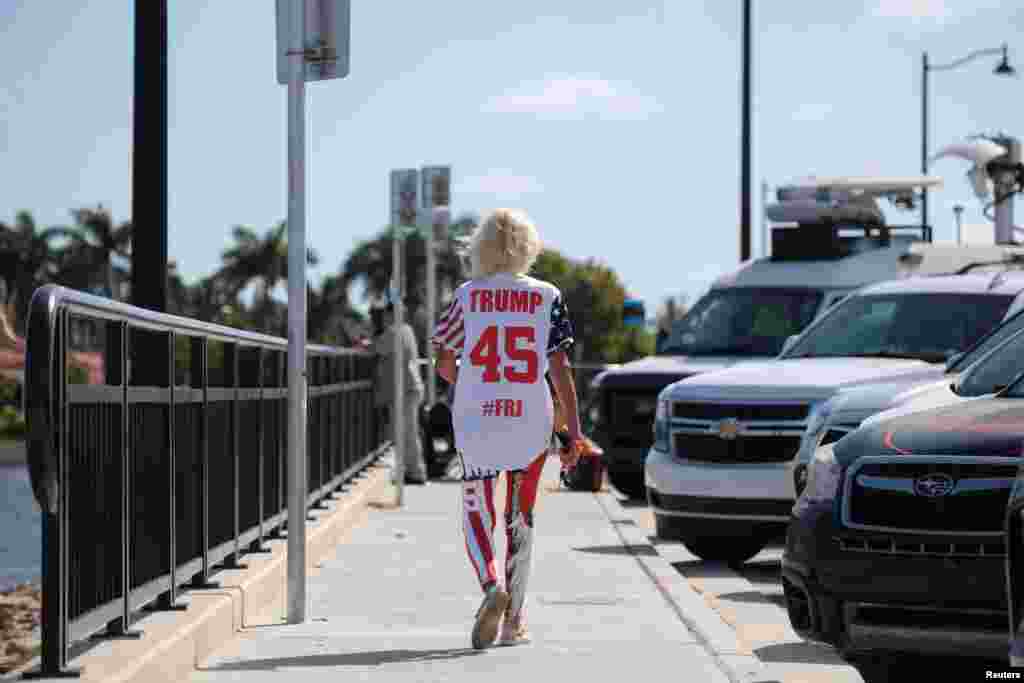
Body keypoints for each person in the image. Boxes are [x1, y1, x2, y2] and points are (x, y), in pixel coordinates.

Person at [431, 207, 583, 650]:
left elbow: (443, 361)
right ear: (528, 247)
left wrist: (472, 384)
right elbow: (561, 369)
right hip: (530, 423)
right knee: (521, 518)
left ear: (479, 247)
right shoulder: (547, 296)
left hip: (477, 422)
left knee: (477, 509)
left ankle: (489, 585)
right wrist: (573, 432)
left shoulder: (467, 296)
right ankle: (515, 620)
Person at [372, 301, 429, 485]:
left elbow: (377, 348)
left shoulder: (394, 331)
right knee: (407, 433)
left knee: (406, 434)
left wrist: (367, 341)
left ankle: (416, 473)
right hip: (409, 387)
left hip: (404, 389)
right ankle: (412, 470)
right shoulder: (406, 330)